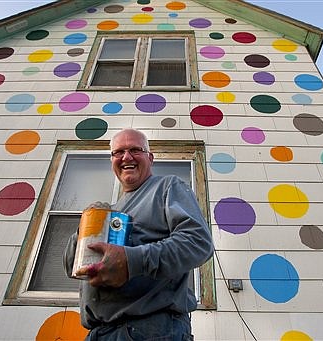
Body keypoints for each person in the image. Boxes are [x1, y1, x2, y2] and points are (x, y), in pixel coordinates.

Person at [64, 128, 214, 340]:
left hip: (150, 329)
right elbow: (72, 267)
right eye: (118, 152)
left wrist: (130, 260)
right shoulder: (107, 212)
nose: (126, 157)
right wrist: (84, 229)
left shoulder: (167, 187)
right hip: (99, 332)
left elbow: (198, 243)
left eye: (135, 149)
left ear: (150, 158)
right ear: (112, 160)